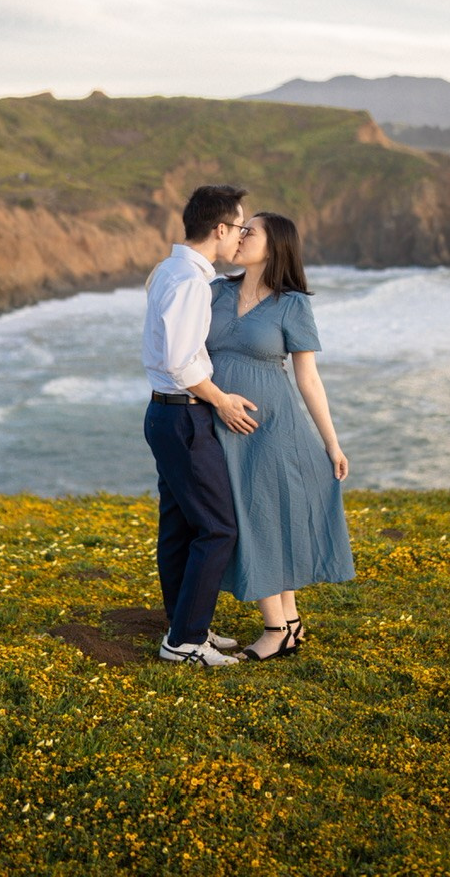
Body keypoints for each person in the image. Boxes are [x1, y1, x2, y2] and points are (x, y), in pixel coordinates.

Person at [206, 211, 355, 662]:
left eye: (250, 232)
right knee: (250, 517)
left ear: (274, 246)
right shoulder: (216, 291)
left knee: (260, 518)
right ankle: (288, 623)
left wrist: (332, 443)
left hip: (271, 430)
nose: (240, 236)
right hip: (220, 423)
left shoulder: (292, 305)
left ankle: (277, 629)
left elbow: (309, 378)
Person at [142, 184, 258, 667]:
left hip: (165, 414)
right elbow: (180, 361)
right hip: (184, 414)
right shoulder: (190, 281)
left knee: (180, 527)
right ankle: (185, 641)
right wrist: (222, 401)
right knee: (217, 528)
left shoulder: (169, 270)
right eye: (241, 228)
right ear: (220, 229)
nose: (243, 237)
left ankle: (184, 625)